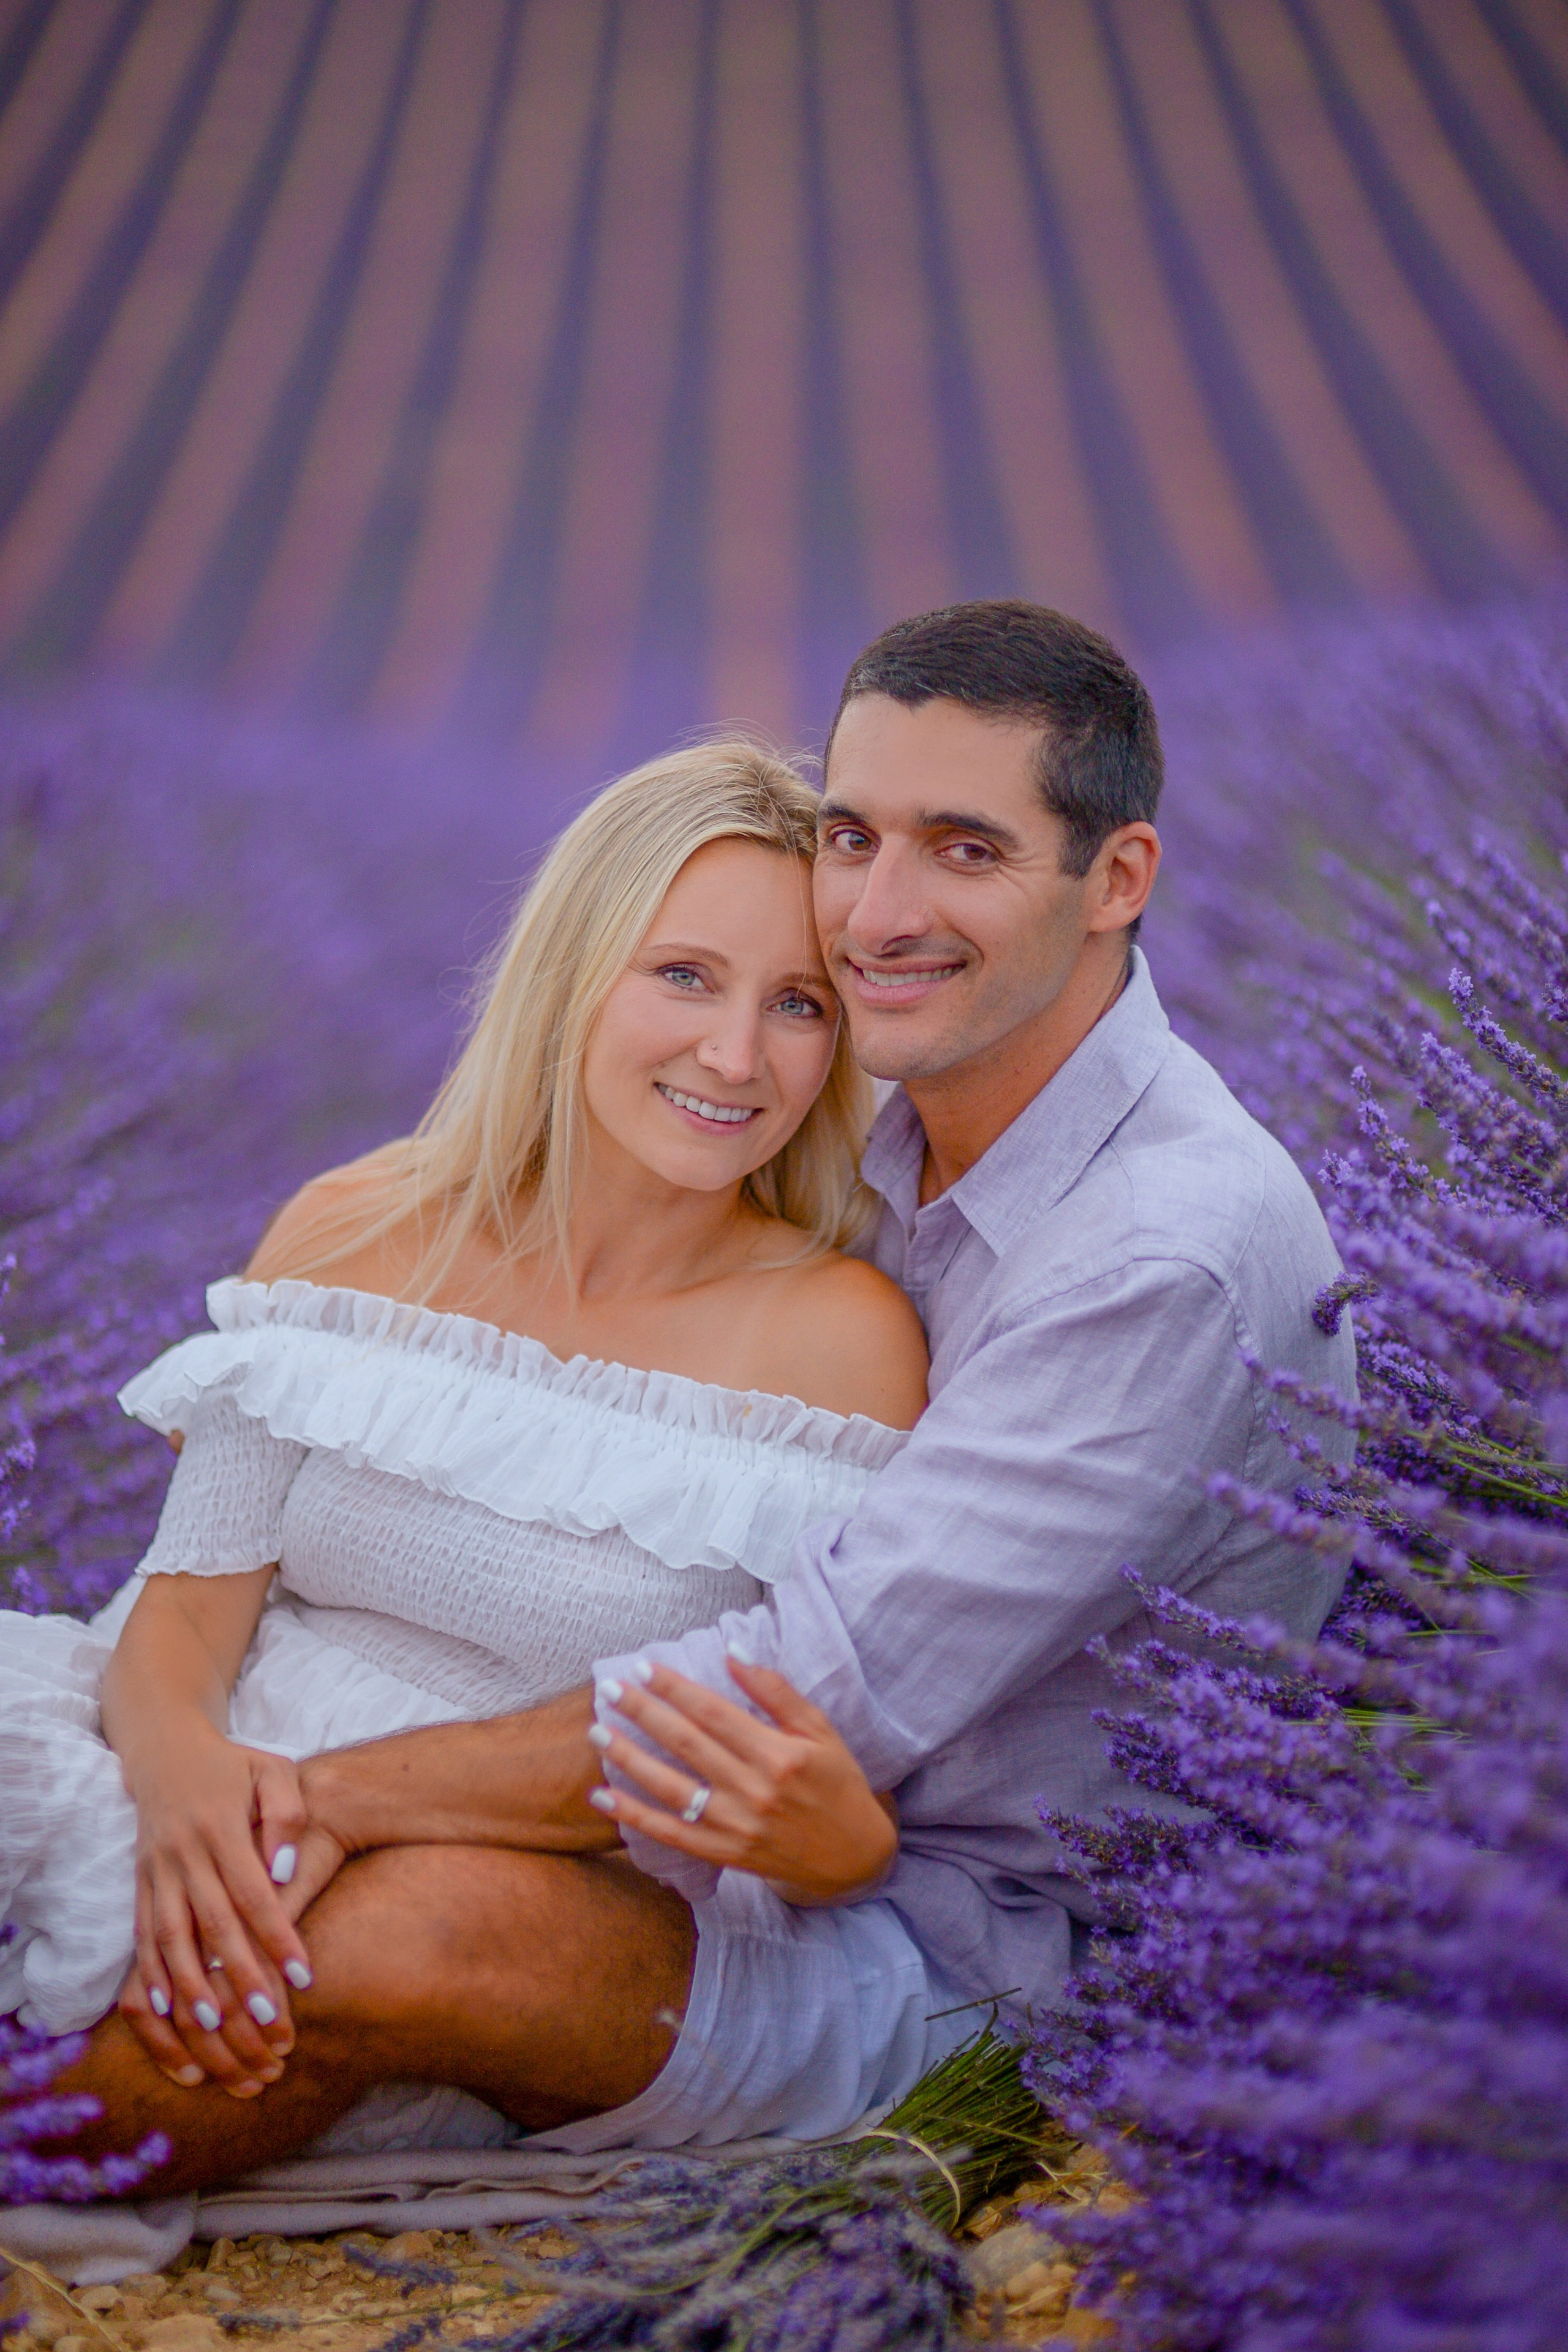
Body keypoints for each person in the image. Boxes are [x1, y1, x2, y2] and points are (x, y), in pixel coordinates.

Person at [47, 598, 1355, 2195]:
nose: (879, 909)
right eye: (858, 837)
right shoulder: (894, 1155)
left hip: (938, 1942)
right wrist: (201, 1762)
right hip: (723, 1828)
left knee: (395, 1924)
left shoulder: (1159, 1255)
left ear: (1119, 880)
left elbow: (786, 1703)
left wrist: (313, 1804)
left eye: (964, 848)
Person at [5, 743, 932, 2185]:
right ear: (571, 970)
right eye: (682, 976)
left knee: (327, 1956)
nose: (736, 1057)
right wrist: (185, 1782)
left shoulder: (841, 1343)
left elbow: (777, 1756)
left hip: (501, 1873)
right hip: (208, 1762)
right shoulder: (356, 1222)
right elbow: (186, 1603)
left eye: (797, 1004)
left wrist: (323, 1818)